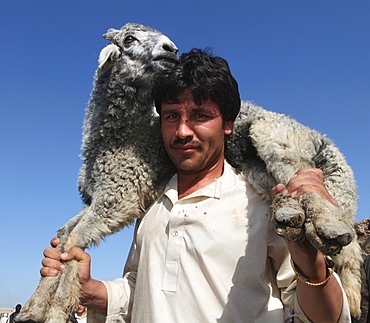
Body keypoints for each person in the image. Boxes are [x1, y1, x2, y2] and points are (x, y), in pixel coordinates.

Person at [41, 48, 350, 322]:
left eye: (200, 115)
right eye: (172, 116)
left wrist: (310, 260)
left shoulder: (262, 202)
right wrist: (91, 289)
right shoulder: (153, 203)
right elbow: (142, 288)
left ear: (228, 124)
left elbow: (325, 317)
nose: (183, 131)